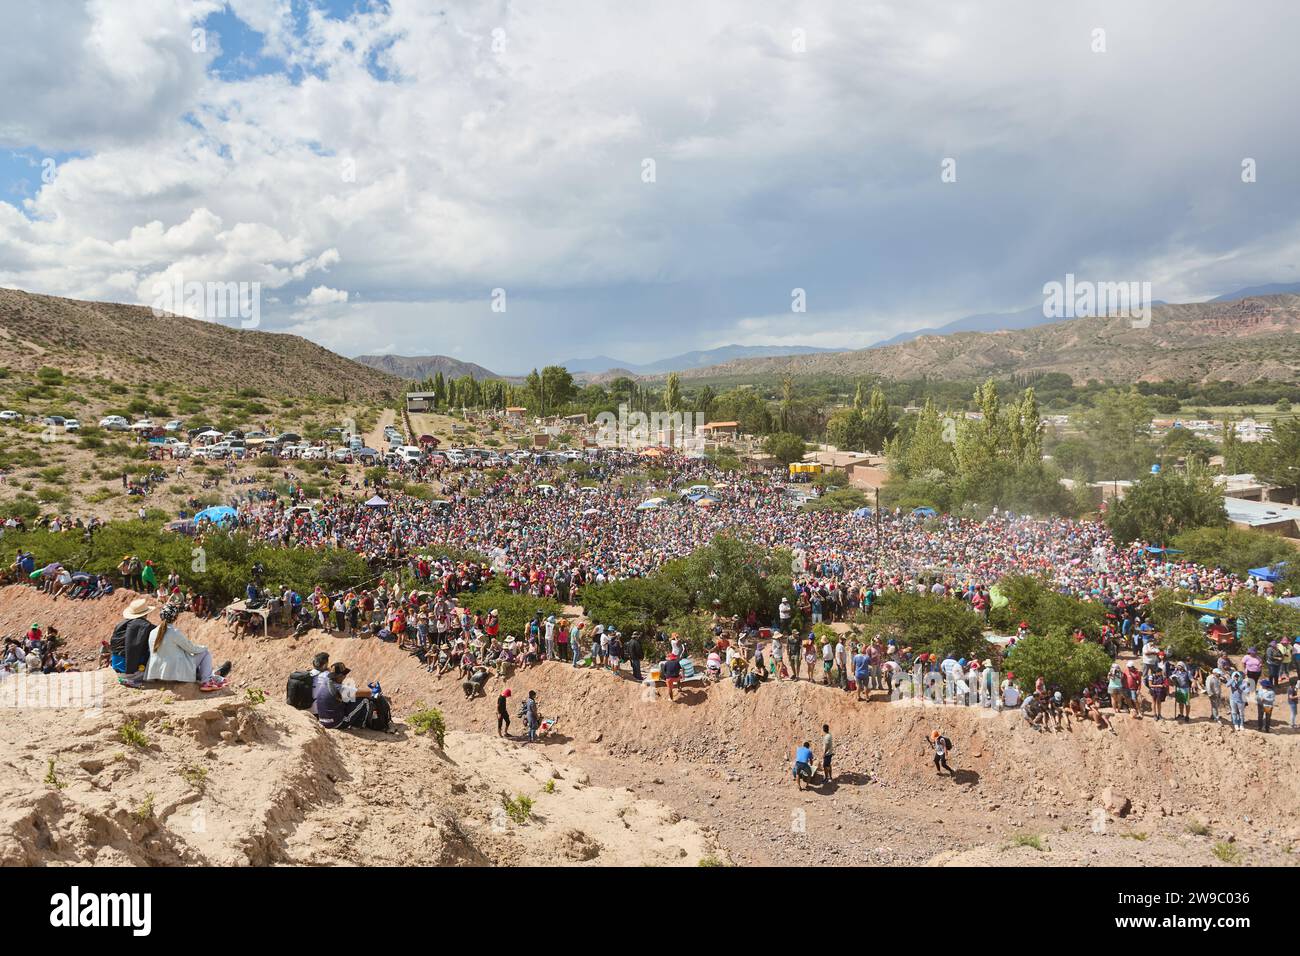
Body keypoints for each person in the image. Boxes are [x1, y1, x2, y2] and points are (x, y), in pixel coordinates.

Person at [144, 604, 231, 690]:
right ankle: (207, 681)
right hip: (174, 674)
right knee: (205, 653)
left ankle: (214, 675)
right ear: (175, 617)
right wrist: (204, 647)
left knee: (190, 664)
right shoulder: (174, 632)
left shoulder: (153, 632)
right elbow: (192, 649)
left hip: (156, 674)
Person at [313, 662, 378, 730]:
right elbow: (368, 693)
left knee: (349, 700)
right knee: (364, 700)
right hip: (335, 724)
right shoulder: (340, 689)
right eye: (344, 674)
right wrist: (375, 690)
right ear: (340, 676)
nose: (345, 676)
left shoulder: (326, 683)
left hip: (323, 721)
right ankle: (359, 725)